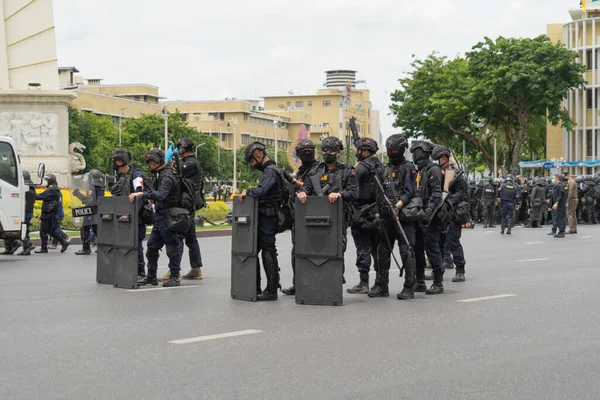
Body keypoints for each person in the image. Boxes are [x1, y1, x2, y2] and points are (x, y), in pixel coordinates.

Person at [298, 137, 359, 284]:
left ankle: (336, 278)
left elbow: (354, 193)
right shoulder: (315, 171)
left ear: (338, 153)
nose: (326, 153)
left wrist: (339, 194)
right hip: (317, 217)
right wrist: (302, 193)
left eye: (330, 151)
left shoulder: (347, 171)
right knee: (317, 249)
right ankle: (319, 280)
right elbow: (307, 187)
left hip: (339, 217)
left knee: (337, 248)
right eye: (324, 151)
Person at [368, 133, 417, 299]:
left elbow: (410, 191)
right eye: (388, 149)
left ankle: (409, 286)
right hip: (386, 216)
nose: (390, 152)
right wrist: (377, 212)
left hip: (403, 216)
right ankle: (382, 285)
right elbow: (379, 194)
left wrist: (398, 205)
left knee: (406, 250)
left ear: (401, 150)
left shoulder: (408, 167)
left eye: (393, 149)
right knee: (382, 250)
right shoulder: (384, 169)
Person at [129, 150, 184, 287]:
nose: (149, 165)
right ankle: (151, 276)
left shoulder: (167, 176)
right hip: (160, 217)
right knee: (152, 246)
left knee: (172, 247)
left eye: (150, 163)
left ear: (155, 163)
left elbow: (162, 195)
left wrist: (143, 194)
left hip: (169, 216)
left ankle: (175, 276)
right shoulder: (161, 175)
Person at [240, 142, 284, 300]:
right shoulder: (275, 169)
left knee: (268, 251)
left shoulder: (270, 171)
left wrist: (248, 191)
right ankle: (257, 287)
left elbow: (261, 191)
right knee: (259, 250)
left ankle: (271, 290)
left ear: (258, 156)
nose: (252, 165)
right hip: (268, 217)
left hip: (268, 218)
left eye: (252, 161)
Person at [159, 137, 204, 282]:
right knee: (190, 238)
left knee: (177, 237)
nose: (178, 149)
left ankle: (174, 271)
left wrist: (169, 164)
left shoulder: (190, 164)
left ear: (185, 147)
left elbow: (175, 175)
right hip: (189, 204)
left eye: (180, 147)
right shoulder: (189, 162)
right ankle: (196, 269)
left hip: (185, 205)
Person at [282, 139, 320, 296]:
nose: (307, 153)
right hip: (298, 215)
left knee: (316, 252)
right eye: (303, 150)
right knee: (297, 250)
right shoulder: (301, 169)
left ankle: (316, 284)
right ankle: (297, 283)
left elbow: (310, 188)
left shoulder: (319, 168)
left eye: (309, 150)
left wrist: (293, 181)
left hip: (315, 215)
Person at [348, 137, 383, 295]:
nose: (357, 153)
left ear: (365, 152)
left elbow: (350, 183)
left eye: (359, 151)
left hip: (362, 212)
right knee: (377, 249)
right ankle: (380, 282)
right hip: (377, 213)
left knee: (363, 247)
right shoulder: (380, 166)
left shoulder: (361, 168)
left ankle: (364, 282)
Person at [410, 140, 444, 295]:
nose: (415, 155)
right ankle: (420, 280)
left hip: (431, 216)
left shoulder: (433, 170)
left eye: (417, 151)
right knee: (417, 249)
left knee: (432, 248)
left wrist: (428, 212)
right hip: (417, 215)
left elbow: (437, 194)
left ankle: (438, 282)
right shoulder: (419, 170)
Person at [431, 146, 467, 282]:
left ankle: (460, 270)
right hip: (440, 211)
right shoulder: (437, 173)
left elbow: (461, 192)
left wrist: (449, 201)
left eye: (440, 159)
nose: (438, 161)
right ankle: (438, 269)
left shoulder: (454, 173)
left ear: (445, 158)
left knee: (453, 241)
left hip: (453, 211)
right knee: (438, 241)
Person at [109, 149, 147, 278]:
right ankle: (127, 268)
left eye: (119, 162)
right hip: (123, 215)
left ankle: (140, 271)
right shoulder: (120, 176)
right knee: (125, 242)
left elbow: (140, 195)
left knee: (136, 243)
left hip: (136, 215)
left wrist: (132, 214)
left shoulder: (136, 175)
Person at [35, 174, 70, 253]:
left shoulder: (51, 190)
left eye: (46, 180)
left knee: (46, 231)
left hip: (49, 215)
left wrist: (31, 192)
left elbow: (40, 196)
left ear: (50, 181)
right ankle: (63, 242)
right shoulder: (54, 189)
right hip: (51, 214)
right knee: (51, 231)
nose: (44, 182)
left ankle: (45, 248)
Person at [73, 170, 105, 255]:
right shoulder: (101, 185)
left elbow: (90, 200)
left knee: (85, 229)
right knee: (97, 230)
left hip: (90, 210)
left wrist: (78, 194)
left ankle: (86, 249)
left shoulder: (92, 186)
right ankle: (103, 248)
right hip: (98, 210)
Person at [551, 174, 568, 238]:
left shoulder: (559, 185)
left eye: (554, 178)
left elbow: (560, 195)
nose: (553, 179)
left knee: (558, 218)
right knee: (562, 217)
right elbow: (565, 194)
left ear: (557, 178)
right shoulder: (563, 185)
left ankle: (561, 231)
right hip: (562, 203)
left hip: (560, 204)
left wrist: (556, 202)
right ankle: (563, 231)